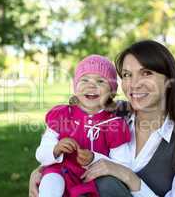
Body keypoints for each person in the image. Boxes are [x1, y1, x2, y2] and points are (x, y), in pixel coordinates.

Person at [30, 40, 175, 197]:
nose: (134, 84)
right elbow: (71, 138)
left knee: (106, 183)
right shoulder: (112, 113)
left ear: (168, 80)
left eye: (146, 73)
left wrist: (128, 177)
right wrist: (42, 170)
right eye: (127, 75)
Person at [35, 54, 131, 197]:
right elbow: (41, 153)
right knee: (50, 183)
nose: (91, 85)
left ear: (111, 92)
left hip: (93, 180)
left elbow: (123, 165)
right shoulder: (62, 115)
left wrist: (94, 158)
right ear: (75, 87)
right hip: (60, 173)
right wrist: (55, 149)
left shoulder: (114, 124)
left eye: (100, 81)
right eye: (84, 80)